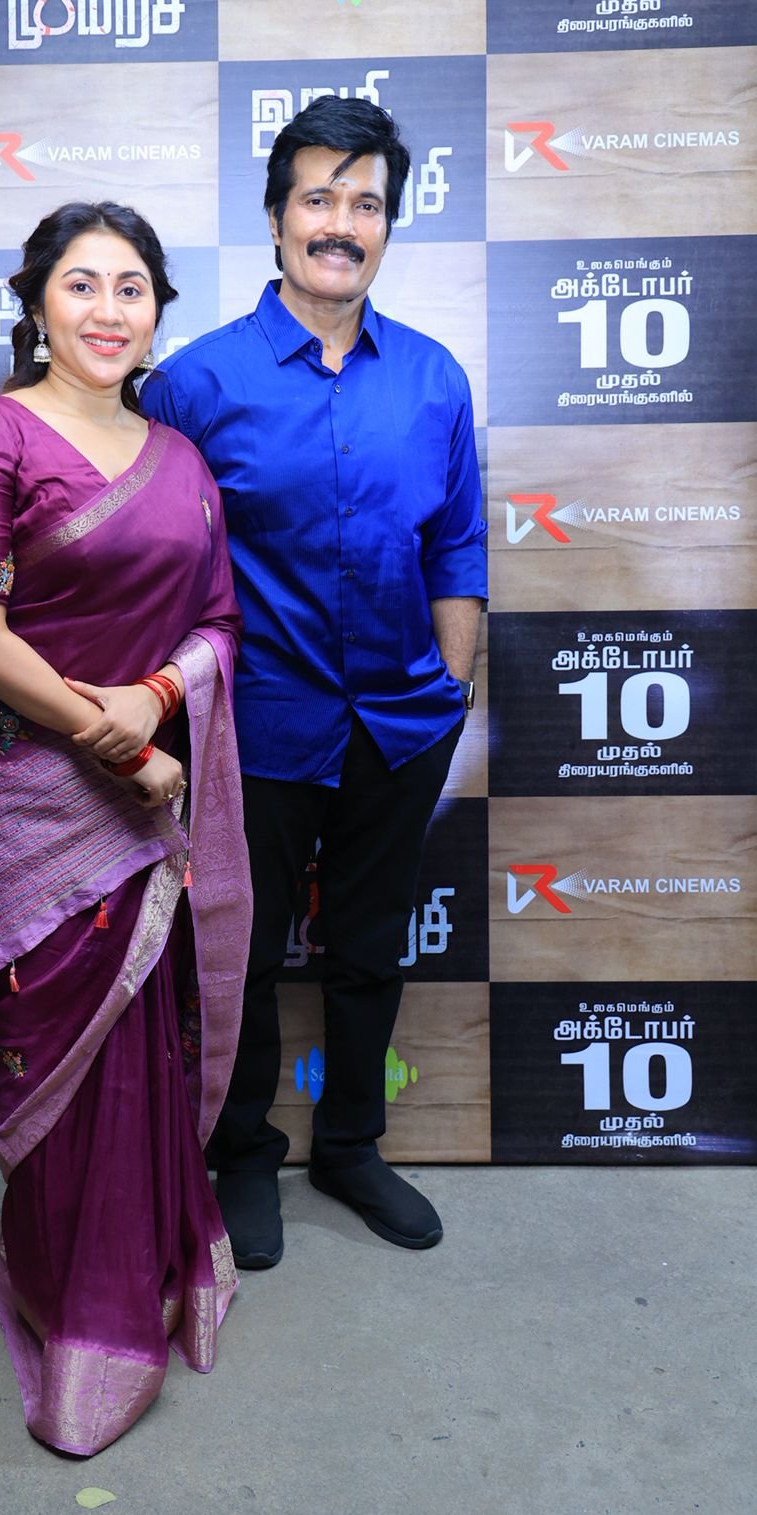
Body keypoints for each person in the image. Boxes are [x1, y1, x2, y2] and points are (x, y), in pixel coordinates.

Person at [0, 201, 252, 1456]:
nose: (108, 310)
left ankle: (135, 1274)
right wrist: (114, 739)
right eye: (81, 284)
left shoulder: (179, 460)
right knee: (50, 1036)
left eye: (131, 287)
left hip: (145, 786)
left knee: (137, 1045)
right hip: (27, 796)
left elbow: (216, 622)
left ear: (157, 311)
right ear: (35, 305)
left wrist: (154, 700)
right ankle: (68, 1290)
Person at [141, 97, 487, 1269]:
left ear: (388, 224)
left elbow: (456, 550)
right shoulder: (195, 384)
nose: (342, 223)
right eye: (318, 198)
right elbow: (153, 566)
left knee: (371, 948)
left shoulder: (433, 378)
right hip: (252, 728)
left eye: (366, 203)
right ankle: (243, 1154)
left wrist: (448, 690)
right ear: (277, 217)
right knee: (235, 952)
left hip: (401, 724)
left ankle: (350, 1146)